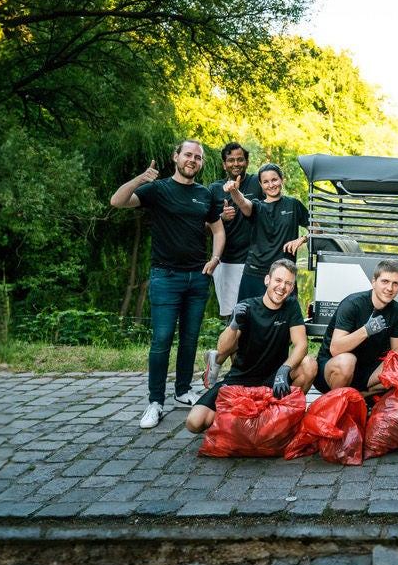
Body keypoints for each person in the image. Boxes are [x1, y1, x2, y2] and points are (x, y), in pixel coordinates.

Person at [110, 140, 223, 427]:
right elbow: (118, 201)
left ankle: (183, 391)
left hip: (198, 278)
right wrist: (140, 179)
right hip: (165, 277)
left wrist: (215, 258)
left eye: (197, 157)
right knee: (161, 340)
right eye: (188, 155)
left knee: (189, 339)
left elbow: (218, 229)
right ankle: (155, 402)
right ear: (176, 157)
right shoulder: (158, 189)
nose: (192, 160)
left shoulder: (204, 194)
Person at [186, 259, 316, 433]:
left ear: (292, 288)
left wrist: (284, 370)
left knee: (309, 364)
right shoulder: (247, 307)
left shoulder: (291, 306)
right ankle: (242, 420)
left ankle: (286, 418)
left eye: (288, 283)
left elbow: (301, 345)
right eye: (278, 280)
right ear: (267, 280)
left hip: (274, 380)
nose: (282, 287)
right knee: (195, 423)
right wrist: (234, 324)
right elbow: (223, 349)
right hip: (240, 380)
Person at [316, 260, 398, 396]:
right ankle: (334, 405)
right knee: (347, 361)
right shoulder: (352, 304)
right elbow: (335, 349)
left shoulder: (397, 310)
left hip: (365, 370)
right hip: (332, 371)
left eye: (395, 283)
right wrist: (366, 330)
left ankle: (357, 397)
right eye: (385, 281)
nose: (390, 288)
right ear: (374, 281)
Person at [236, 163, 309, 306]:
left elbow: (317, 230)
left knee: (284, 322)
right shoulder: (257, 206)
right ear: (261, 185)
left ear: (282, 180)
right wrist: (234, 191)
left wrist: (302, 238)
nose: (271, 185)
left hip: (284, 275)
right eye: (266, 182)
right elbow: (243, 203)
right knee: (246, 320)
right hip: (255, 273)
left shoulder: (293, 204)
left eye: (274, 180)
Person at [207, 142, 261, 319]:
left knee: (256, 311)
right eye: (231, 160)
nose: (236, 164)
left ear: (247, 161)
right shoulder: (214, 189)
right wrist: (221, 217)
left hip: (256, 261)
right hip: (227, 261)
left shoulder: (258, 183)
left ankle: (253, 347)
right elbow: (204, 226)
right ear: (224, 164)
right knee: (232, 315)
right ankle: (231, 347)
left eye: (240, 159)